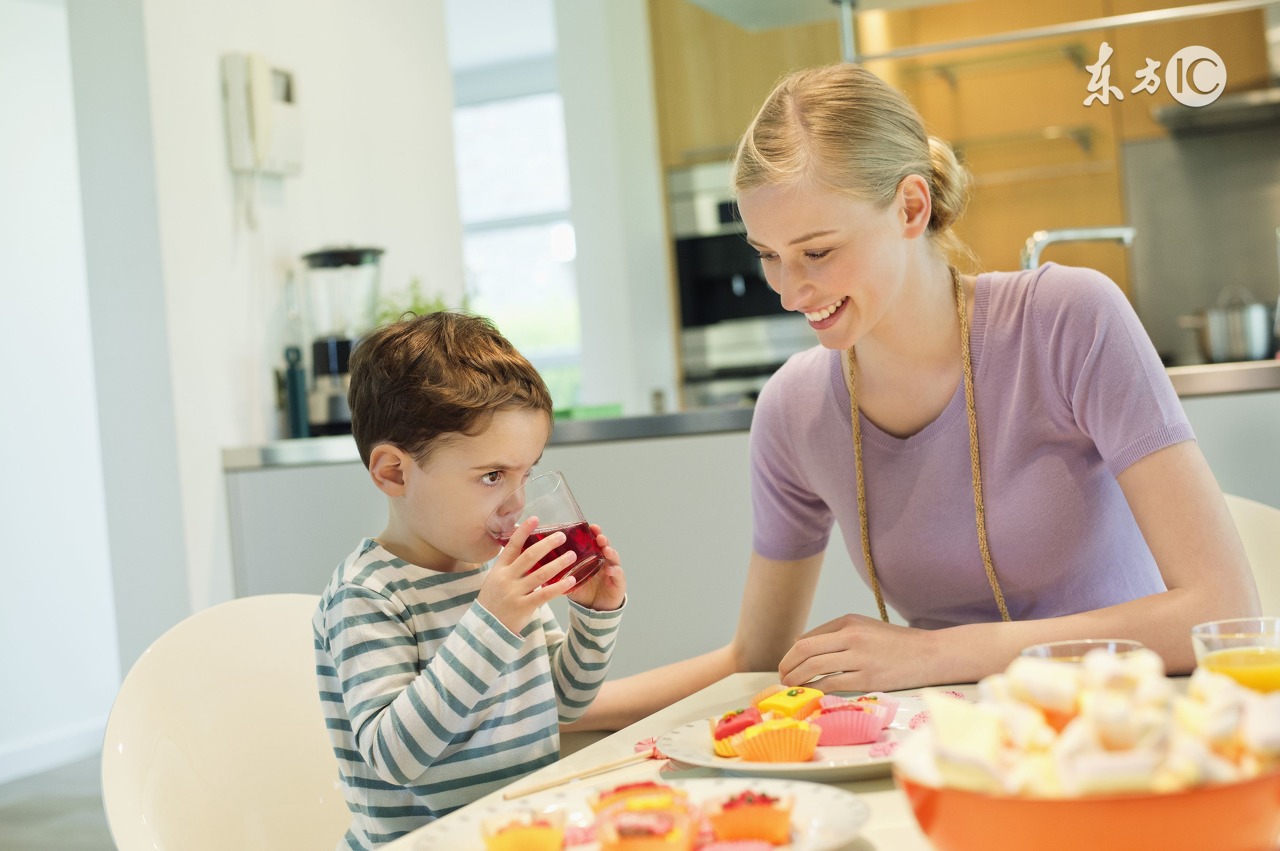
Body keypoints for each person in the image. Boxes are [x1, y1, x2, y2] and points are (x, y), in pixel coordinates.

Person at [568, 62, 1258, 731]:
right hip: (955, 749)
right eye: (767, 252)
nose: (787, 288)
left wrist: (928, 653)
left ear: (910, 206)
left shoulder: (1067, 318)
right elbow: (754, 658)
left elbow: (1222, 606)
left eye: (816, 251)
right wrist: (553, 709)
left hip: (1131, 733)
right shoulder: (793, 411)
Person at [312, 311, 627, 849]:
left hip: (518, 835)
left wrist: (593, 619)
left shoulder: (496, 575)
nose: (518, 501)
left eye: (525, 473)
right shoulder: (368, 595)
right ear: (394, 472)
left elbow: (563, 703)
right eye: (491, 476)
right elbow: (395, 757)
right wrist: (492, 621)